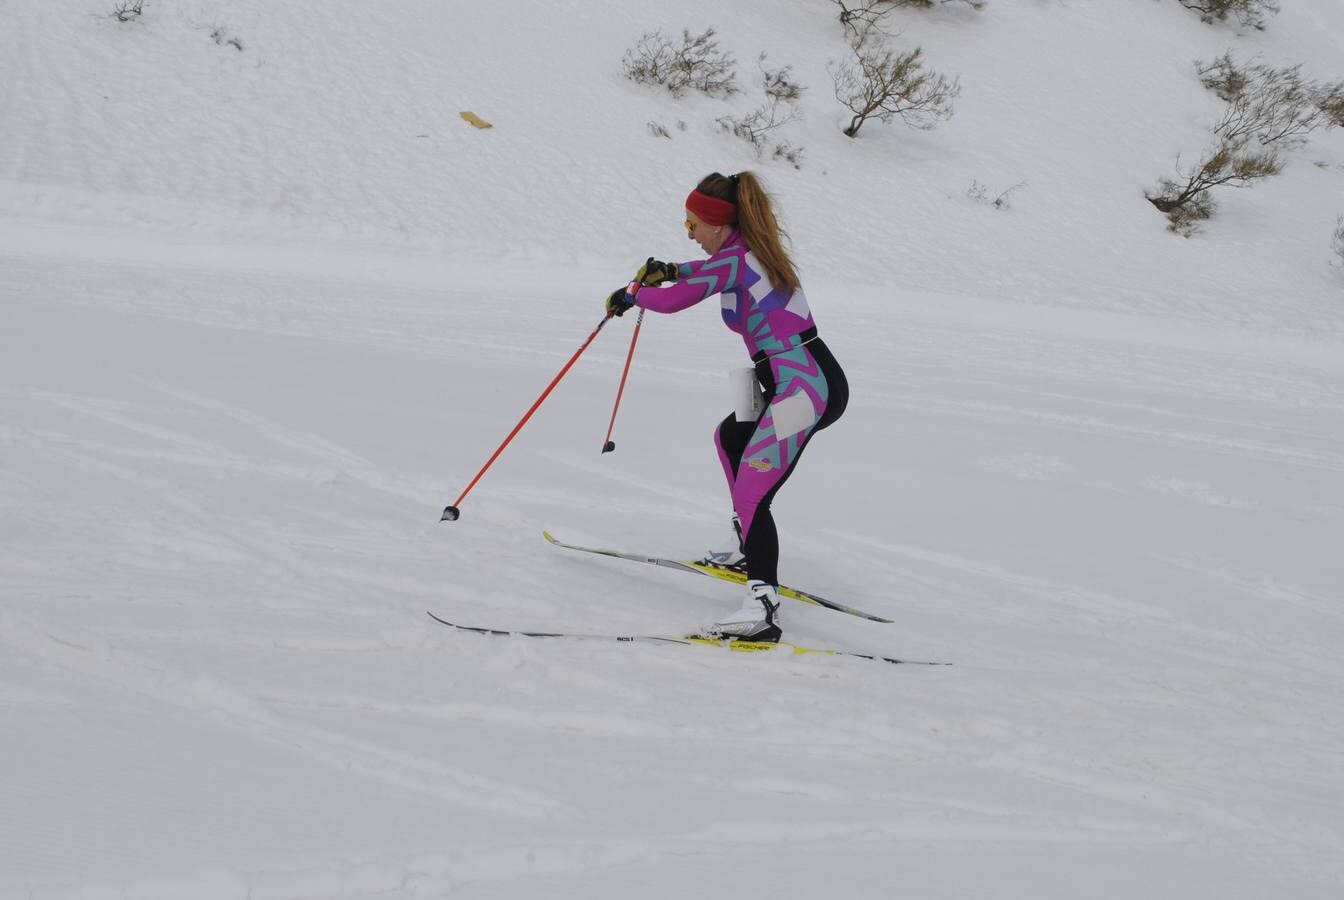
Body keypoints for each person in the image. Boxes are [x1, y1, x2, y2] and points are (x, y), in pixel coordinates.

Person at [604, 171, 848, 643]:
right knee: (731, 437)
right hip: (790, 377)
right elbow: (699, 276)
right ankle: (747, 548)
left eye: (693, 225)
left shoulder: (735, 262)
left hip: (802, 388)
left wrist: (632, 294)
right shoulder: (744, 253)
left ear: (718, 225)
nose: (688, 233)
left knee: (755, 489)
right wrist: (671, 269)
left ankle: (761, 608)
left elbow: (676, 302)